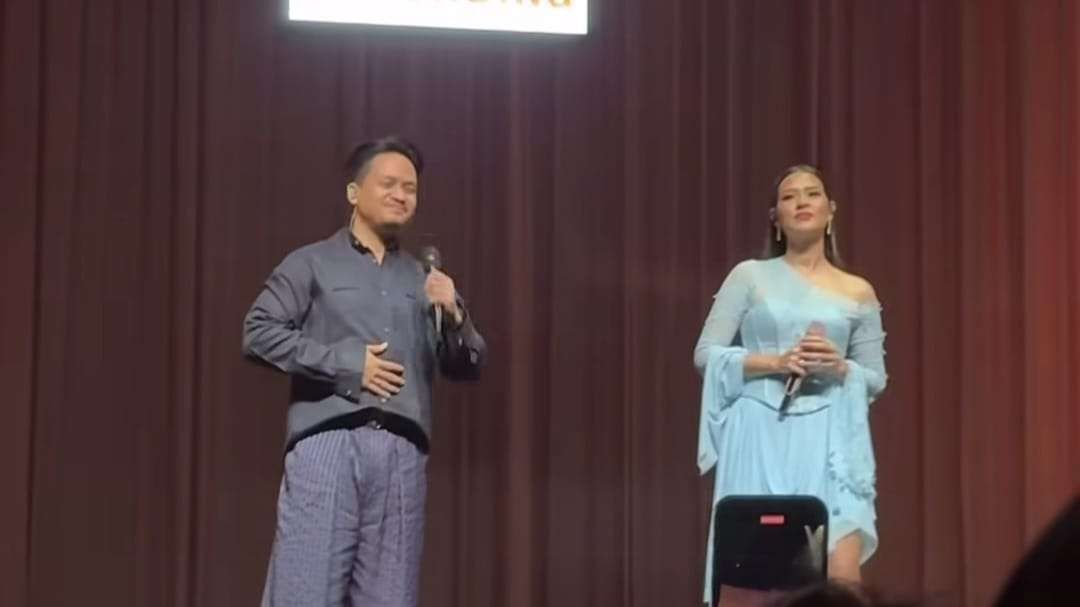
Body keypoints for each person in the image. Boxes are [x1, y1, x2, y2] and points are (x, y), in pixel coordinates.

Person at [242, 136, 487, 606]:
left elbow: (468, 364)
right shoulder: (312, 262)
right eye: (388, 184)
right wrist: (349, 364)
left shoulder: (424, 278)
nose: (401, 195)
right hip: (329, 444)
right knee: (304, 593)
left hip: (401, 454)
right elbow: (258, 332)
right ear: (354, 192)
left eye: (410, 188)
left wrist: (457, 316)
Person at [695, 165, 888, 605]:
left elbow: (874, 378)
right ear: (775, 218)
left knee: (840, 578)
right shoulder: (749, 276)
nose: (802, 201)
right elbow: (706, 354)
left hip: (833, 438)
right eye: (789, 196)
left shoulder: (858, 291)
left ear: (830, 210)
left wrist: (839, 368)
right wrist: (775, 362)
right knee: (749, 579)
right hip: (759, 430)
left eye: (812, 193)